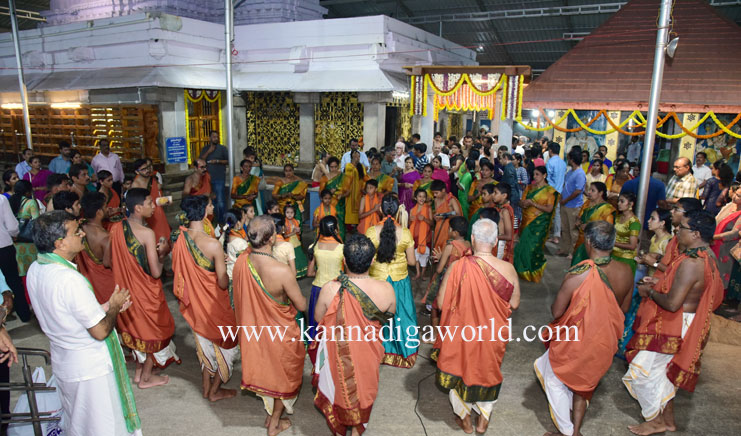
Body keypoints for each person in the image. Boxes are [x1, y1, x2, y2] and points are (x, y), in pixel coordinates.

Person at [26, 211, 141, 435]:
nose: (82, 234)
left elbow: (66, 313)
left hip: (66, 361)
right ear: (59, 243)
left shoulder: (36, 268)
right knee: (103, 426)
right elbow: (100, 331)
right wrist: (114, 307)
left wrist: (104, 308)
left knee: (78, 423)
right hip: (90, 370)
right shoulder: (69, 279)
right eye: (75, 232)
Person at [623, 210, 723, 436]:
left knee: (641, 373)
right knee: (663, 373)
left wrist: (650, 292)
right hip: (685, 321)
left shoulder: (692, 262)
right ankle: (668, 420)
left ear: (696, 234)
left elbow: (672, 303)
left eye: (682, 227)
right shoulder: (707, 256)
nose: (677, 230)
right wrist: (659, 283)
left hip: (676, 324)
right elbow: (686, 290)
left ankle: (655, 420)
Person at [535, 221, 630, 436]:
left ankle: (568, 431)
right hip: (605, 339)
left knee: (552, 378)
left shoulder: (579, 273)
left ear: (588, 242)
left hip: (578, 339)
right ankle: (576, 430)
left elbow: (557, 312)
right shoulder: (626, 271)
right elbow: (623, 308)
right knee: (584, 386)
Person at [434, 218, 520, 434]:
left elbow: (442, 303)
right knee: (487, 371)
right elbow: (515, 303)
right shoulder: (508, 269)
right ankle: (483, 420)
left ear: (472, 239)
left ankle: (465, 420)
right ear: (495, 241)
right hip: (492, 332)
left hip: (462, 332)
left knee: (459, 369)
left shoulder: (457, 266)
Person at [309, 233, 395, 436]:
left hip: (337, 354)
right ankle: (357, 430)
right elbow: (389, 315)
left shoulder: (330, 289)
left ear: (344, 261)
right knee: (364, 391)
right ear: (372, 261)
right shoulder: (386, 289)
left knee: (339, 389)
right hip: (369, 353)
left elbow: (318, 318)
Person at [233, 215, 307, 436]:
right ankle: (274, 423)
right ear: (272, 238)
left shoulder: (241, 262)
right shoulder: (281, 271)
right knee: (283, 375)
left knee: (268, 371)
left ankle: (271, 415)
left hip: (254, 330)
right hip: (280, 332)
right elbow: (301, 305)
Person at [172, 195, 239, 402]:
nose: (212, 206)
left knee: (204, 344)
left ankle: (205, 386)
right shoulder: (212, 244)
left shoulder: (180, 239)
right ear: (203, 212)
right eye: (209, 204)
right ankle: (214, 391)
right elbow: (221, 283)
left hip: (194, 303)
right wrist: (225, 268)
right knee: (227, 344)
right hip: (214, 303)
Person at [110, 188, 179, 388]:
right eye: (149, 203)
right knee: (153, 333)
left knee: (137, 331)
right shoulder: (147, 233)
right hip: (145, 292)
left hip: (126, 292)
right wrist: (163, 253)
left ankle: (140, 373)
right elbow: (156, 272)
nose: (153, 206)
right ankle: (146, 378)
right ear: (138, 208)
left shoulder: (116, 228)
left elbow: (112, 260)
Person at [365, 194, 418, 368]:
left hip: (377, 279)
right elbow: (412, 262)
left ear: (380, 209)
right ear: (397, 211)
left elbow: (366, 258)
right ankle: (403, 352)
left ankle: (376, 351)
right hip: (399, 279)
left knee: (376, 315)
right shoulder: (406, 233)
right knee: (402, 313)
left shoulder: (371, 231)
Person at [514, 166, 557, 282]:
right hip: (526, 221)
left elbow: (549, 209)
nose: (534, 177)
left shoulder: (550, 191)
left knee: (533, 247)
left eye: (537, 174)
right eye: (533, 174)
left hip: (539, 224)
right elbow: (521, 202)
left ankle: (533, 272)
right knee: (523, 246)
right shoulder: (529, 188)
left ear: (544, 175)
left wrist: (533, 204)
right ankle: (522, 271)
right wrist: (523, 204)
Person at [306, 216, 344, 339]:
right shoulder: (342, 248)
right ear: (336, 229)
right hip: (336, 290)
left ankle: (316, 344)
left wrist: (320, 272)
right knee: (336, 323)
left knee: (317, 321)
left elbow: (309, 273)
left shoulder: (313, 247)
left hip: (318, 288)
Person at [76, 192, 115, 304]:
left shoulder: (80, 227)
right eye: (105, 207)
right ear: (98, 212)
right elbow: (108, 263)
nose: (108, 209)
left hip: (88, 282)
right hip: (105, 285)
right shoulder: (105, 238)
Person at [571, 182, 616, 266]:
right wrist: (578, 222)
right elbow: (580, 217)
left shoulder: (607, 209)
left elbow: (608, 229)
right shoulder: (587, 204)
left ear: (600, 193)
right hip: (581, 241)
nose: (589, 192)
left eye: (593, 190)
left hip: (596, 246)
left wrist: (589, 226)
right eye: (589, 190)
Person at [131, 159, 172, 244]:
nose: (147, 170)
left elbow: (156, 194)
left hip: (158, 211)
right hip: (147, 214)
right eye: (143, 169)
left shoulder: (152, 178)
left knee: (164, 234)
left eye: (147, 167)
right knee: (153, 237)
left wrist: (164, 200)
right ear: (137, 172)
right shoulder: (136, 185)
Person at [9, 181, 40, 291]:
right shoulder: (31, 203)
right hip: (29, 244)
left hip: (15, 243)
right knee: (32, 272)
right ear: (27, 192)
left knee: (21, 272)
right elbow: (37, 222)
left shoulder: (11, 201)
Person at [711, 184, 741, 287]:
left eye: (739, 196)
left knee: (720, 275)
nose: (734, 197)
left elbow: (735, 233)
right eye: (735, 194)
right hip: (714, 241)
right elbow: (716, 220)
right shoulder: (729, 206)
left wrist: (714, 237)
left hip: (726, 247)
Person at [558, 149, 587, 257]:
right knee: (564, 229)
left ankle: (572, 251)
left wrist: (565, 200)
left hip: (574, 206)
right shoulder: (570, 172)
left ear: (572, 159)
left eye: (569, 158)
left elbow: (578, 191)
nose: (568, 160)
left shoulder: (580, 173)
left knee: (573, 230)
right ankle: (565, 248)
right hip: (565, 204)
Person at [620, 162, 667, 228]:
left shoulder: (628, 184)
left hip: (628, 222)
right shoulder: (659, 185)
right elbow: (662, 204)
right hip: (650, 222)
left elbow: (620, 201)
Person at [198, 131, 229, 224]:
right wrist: (209, 152)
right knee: (211, 201)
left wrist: (217, 161)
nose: (216, 138)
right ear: (209, 138)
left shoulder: (222, 148)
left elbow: (228, 161)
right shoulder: (205, 149)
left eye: (217, 137)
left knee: (220, 201)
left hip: (219, 178)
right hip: (207, 179)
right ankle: (212, 221)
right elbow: (200, 161)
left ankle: (222, 222)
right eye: (214, 137)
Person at [320, 157, 349, 240]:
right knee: (328, 222)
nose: (334, 169)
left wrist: (342, 195)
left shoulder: (343, 177)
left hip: (340, 205)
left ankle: (341, 242)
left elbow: (348, 192)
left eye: (335, 167)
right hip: (328, 204)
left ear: (338, 166)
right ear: (328, 167)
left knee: (340, 223)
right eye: (332, 167)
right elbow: (320, 193)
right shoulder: (324, 178)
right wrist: (329, 192)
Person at [612, 192, 641, 274]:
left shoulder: (634, 222)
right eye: (618, 201)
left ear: (631, 204)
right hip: (613, 255)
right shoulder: (618, 218)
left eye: (622, 201)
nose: (618, 203)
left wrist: (613, 243)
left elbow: (632, 246)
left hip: (626, 259)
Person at [431, 179, 463, 252]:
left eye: (436, 193)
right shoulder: (436, 200)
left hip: (449, 229)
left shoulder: (451, 200)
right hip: (439, 228)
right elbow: (437, 213)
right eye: (433, 193)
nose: (434, 195)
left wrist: (444, 216)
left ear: (443, 190)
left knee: (447, 249)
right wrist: (435, 217)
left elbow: (458, 214)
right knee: (438, 249)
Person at [546, 142, 567, 245]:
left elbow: (548, 178)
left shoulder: (550, 162)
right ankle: (556, 236)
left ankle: (547, 233)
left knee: (548, 212)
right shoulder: (563, 163)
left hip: (551, 191)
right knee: (557, 214)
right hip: (560, 191)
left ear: (550, 150)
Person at [410, 189, 433, 280]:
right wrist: (410, 220)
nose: (422, 198)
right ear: (415, 198)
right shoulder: (412, 210)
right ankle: (418, 273)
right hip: (415, 237)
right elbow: (408, 224)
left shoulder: (428, 209)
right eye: (419, 196)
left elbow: (432, 223)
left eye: (424, 197)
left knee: (425, 256)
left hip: (425, 237)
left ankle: (423, 273)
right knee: (415, 256)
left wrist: (424, 219)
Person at [283, 204, 308, 278]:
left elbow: (299, 233)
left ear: (294, 213)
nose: (290, 214)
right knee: (292, 257)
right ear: (284, 213)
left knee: (299, 256)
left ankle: (301, 272)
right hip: (289, 243)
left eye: (292, 212)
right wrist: (293, 232)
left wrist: (298, 231)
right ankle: (293, 272)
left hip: (296, 241)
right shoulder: (284, 223)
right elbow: (284, 236)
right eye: (287, 212)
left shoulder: (296, 221)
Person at [493, 183, 515, 263]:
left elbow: (508, 236)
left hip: (500, 245)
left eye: (495, 193)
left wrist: (492, 236)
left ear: (504, 195)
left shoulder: (505, 211)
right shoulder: (498, 208)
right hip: (496, 241)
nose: (493, 195)